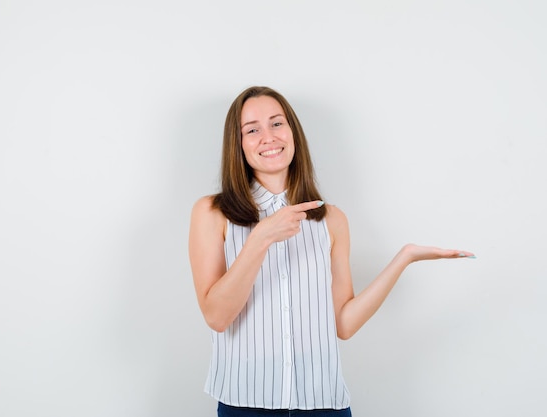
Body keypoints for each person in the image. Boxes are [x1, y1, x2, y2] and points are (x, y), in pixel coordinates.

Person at [188, 86, 474, 417]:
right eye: (252, 130)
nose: (268, 137)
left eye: (277, 123)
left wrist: (404, 258)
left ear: (293, 132)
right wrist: (260, 237)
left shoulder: (332, 220)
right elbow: (217, 316)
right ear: (237, 144)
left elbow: (344, 324)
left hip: (324, 405)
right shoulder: (212, 212)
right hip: (246, 405)